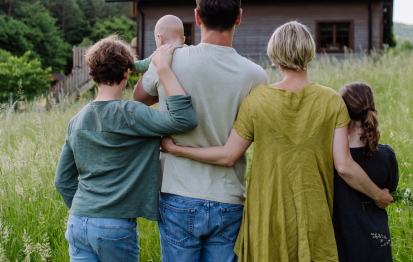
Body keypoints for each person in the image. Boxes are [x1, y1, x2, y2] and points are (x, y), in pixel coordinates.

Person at [160, 21, 394, 262]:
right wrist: (377, 195)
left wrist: (176, 149)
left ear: (274, 54)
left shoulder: (257, 99)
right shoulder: (332, 101)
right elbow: (344, 166)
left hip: (266, 216)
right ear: (309, 52)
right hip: (312, 216)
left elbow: (228, 155)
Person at [133, 0, 269, 262]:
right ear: (239, 17)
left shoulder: (169, 61)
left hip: (177, 194)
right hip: (229, 198)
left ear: (196, 17)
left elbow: (138, 99)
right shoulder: (256, 76)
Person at [54, 35, 198, 262]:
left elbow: (62, 181)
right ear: (126, 73)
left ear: (93, 75)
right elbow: (185, 119)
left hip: (78, 222)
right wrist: (164, 69)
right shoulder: (132, 113)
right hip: (114, 226)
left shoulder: (77, 121)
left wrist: (89, 209)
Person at [333, 82, 399, 261]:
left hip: (342, 247)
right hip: (378, 244)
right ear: (374, 112)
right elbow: (390, 191)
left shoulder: (330, 159)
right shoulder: (386, 155)